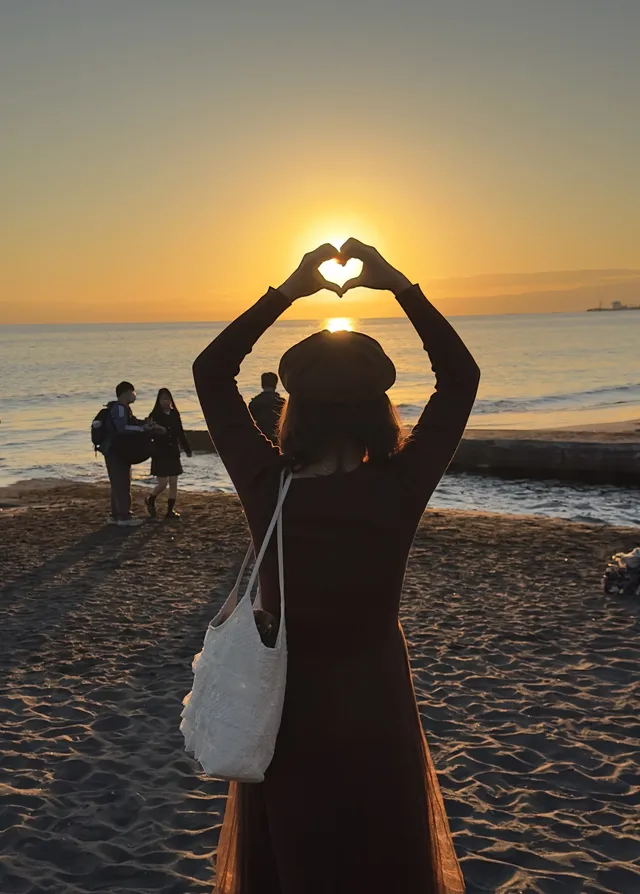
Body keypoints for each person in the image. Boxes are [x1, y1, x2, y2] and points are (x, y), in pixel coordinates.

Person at [192, 239, 480, 894]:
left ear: (297, 411)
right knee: (382, 854)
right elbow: (460, 379)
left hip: (287, 706)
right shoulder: (400, 485)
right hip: (377, 703)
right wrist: (399, 286)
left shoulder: (268, 482)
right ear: (380, 411)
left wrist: (289, 288)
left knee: (295, 858)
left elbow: (211, 373)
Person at [104, 381, 163, 527]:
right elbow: (122, 428)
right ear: (126, 393)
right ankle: (124, 517)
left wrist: (144, 424)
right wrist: (143, 429)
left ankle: (115, 516)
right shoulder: (119, 409)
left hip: (118, 451)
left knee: (118, 484)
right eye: (133, 392)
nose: (134, 396)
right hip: (116, 451)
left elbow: (132, 423)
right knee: (122, 484)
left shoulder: (124, 409)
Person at [145, 388, 192, 520]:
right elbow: (150, 433)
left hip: (173, 451)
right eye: (162, 399)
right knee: (162, 483)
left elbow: (180, 432)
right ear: (158, 401)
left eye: (167, 398)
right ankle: (151, 498)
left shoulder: (174, 414)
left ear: (171, 400)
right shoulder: (155, 415)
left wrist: (187, 448)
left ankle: (170, 510)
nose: (165, 401)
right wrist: (159, 430)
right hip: (160, 451)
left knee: (174, 481)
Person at [248, 372, 286, 443]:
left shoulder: (254, 403)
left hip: (261, 437)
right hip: (278, 437)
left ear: (262, 385)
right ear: (275, 385)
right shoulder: (282, 403)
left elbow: (250, 423)